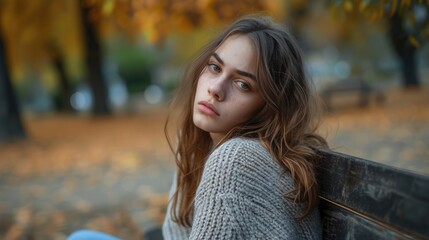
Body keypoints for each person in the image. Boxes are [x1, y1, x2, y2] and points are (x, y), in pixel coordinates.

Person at [68, 14, 328, 240]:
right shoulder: (203, 142)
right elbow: (176, 231)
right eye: (214, 67)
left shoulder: (236, 159)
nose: (215, 89)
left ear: (270, 106)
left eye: (242, 85)